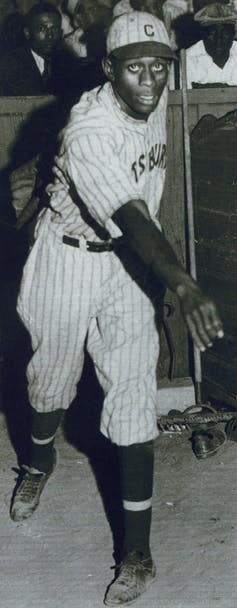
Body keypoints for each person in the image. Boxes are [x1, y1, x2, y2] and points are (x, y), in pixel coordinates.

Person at [10, 11, 224, 607]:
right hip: (68, 256)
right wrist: (180, 281)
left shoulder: (148, 81)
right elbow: (130, 213)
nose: (151, 82)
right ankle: (38, 460)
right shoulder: (89, 130)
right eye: (135, 70)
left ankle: (138, 555)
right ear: (108, 71)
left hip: (129, 268)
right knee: (50, 384)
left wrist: (191, 24)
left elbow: (157, 43)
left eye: (160, 69)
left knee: (133, 399)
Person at [0, 2, 90, 99]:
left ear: (61, 33)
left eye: (54, 29)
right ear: (27, 33)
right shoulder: (11, 63)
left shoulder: (68, 61)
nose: (50, 35)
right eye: (42, 29)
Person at [185, 3, 237, 88]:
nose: (219, 39)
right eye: (212, 33)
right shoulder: (186, 61)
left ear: (234, 34)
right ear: (202, 35)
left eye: (225, 33)